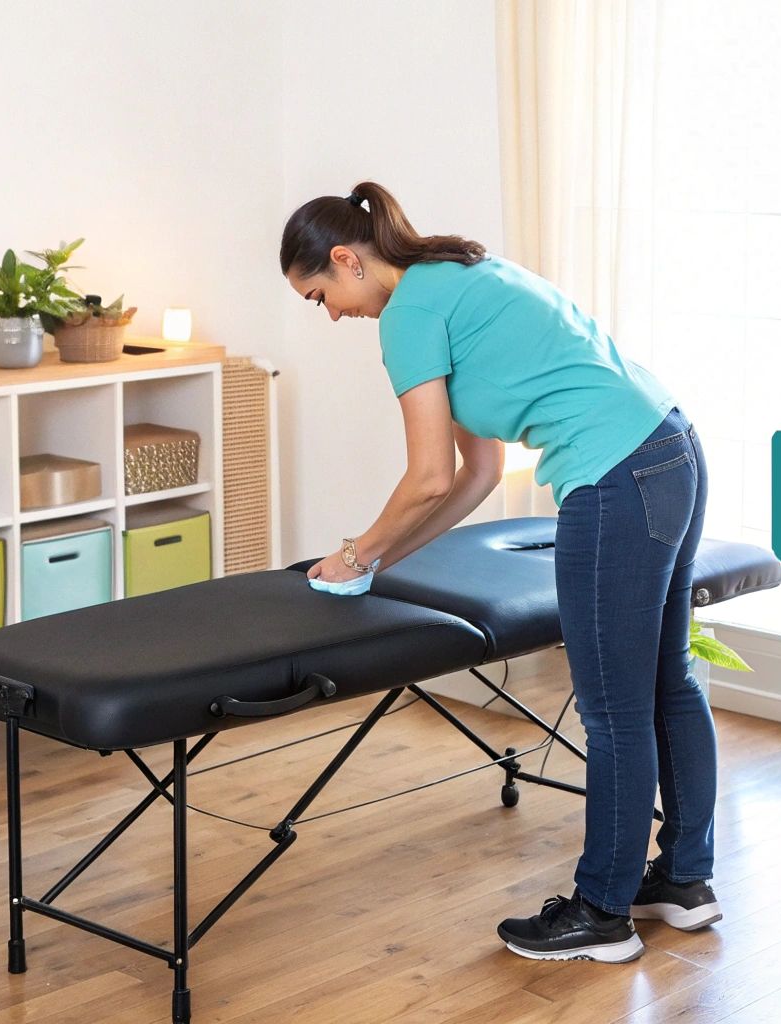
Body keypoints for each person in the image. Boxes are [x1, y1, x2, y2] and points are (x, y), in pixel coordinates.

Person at [280, 181, 721, 962]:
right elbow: (470, 475)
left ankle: (602, 912)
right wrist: (379, 560)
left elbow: (423, 479)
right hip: (670, 450)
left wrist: (351, 553)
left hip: (614, 479)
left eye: (320, 296)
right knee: (666, 681)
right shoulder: (453, 275)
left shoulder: (409, 316)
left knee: (614, 710)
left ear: (347, 260)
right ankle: (683, 883)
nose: (333, 314)